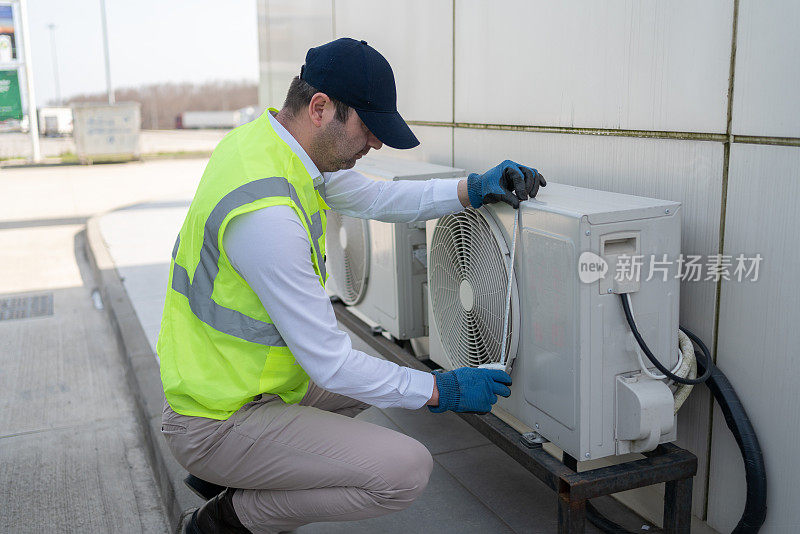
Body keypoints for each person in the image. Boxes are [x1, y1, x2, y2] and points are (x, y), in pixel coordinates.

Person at [157, 38, 546, 534]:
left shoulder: (271, 147)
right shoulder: (267, 220)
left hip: (241, 385)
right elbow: (332, 364)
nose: (377, 144)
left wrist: (471, 188)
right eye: (369, 128)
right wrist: (438, 389)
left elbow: (379, 198)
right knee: (405, 470)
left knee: (380, 379)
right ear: (321, 109)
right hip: (214, 421)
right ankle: (227, 518)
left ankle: (244, 473)